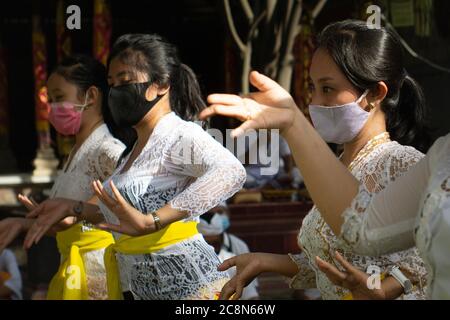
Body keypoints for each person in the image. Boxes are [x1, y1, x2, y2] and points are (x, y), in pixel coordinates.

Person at [200, 20, 434, 300]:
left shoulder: (402, 163)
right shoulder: (336, 164)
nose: (315, 101)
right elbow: (332, 267)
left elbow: (433, 250)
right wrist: (263, 261)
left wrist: (385, 289)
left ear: (374, 94)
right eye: (313, 87)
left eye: (328, 88)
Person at [24, 34, 247, 300]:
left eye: (126, 81)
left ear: (161, 84)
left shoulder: (179, 134)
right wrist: (75, 208)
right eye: (112, 83)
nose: (116, 91)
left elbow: (231, 171)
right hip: (138, 288)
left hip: (188, 288)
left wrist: (154, 220)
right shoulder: (131, 153)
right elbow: (122, 217)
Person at [0, 54, 134, 299]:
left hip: (99, 275)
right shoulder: (76, 153)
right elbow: (75, 224)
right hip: (75, 269)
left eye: (59, 98)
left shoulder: (107, 150)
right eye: (50, 100)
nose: (52, 108)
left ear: (91, 96)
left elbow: (125, 207)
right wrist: (27, 222)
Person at [198, 204, 259, 299]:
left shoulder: (238, 247)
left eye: (215, 243)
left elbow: (250, 292)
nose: (212, 248)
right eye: (207, 244)